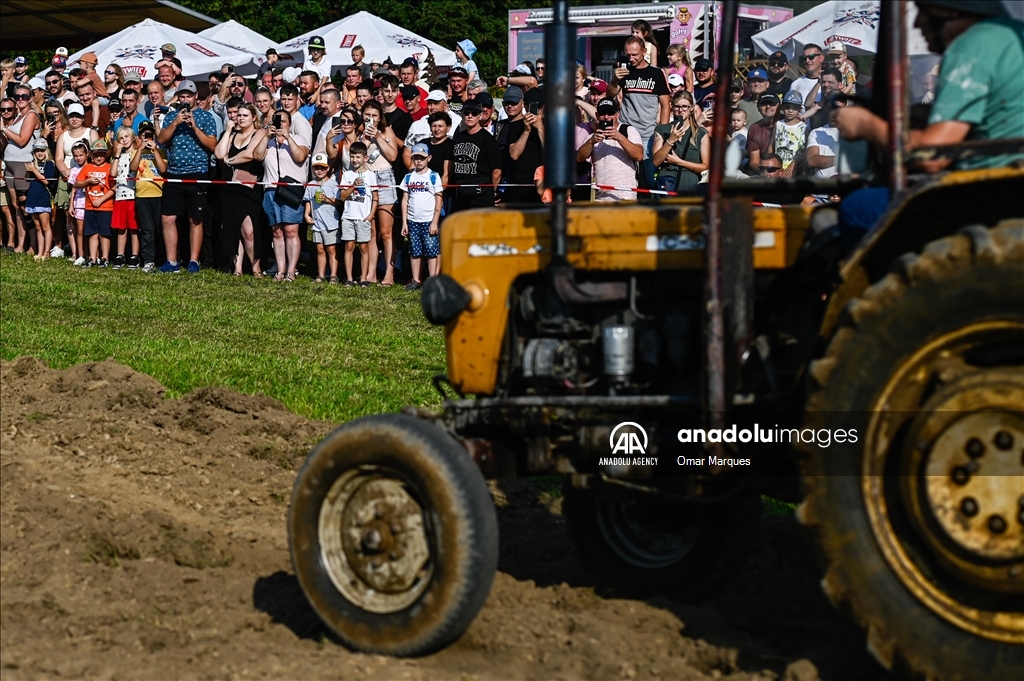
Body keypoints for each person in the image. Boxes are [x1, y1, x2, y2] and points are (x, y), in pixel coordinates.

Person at [156, 80, 218, 273]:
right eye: (182, 96)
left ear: (195, 97)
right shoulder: (171, 117)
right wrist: (175, 122)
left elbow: (212, 145)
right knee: (168, 218)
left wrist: (194, 127)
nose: (185, 99)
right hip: (174, 172)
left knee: (195, 218)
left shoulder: (205, 117)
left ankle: (193, 260)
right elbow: (162, 140)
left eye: (188, 96)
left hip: (197, 172)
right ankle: (172, 261)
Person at [608, 35, 671, 190]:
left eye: (635, 55)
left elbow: (665, 105)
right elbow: (609, 96)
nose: (631, 58)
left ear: (644, 51)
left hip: (648, 134)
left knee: (648, 180)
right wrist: (615, 80)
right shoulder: (623, 72)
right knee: (625, 177)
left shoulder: (656, 73)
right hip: (627, 131)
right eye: (628, 55)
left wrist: (662, 132)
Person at [252, 108, 308, 282]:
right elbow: (257, 156)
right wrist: (267, 136)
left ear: (290, 124)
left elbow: (300, 157)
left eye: (284, 121)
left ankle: (291, 270)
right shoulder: (268, 141)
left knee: (291, 230)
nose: (280, 124)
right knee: (277, 232)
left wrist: (288, 138)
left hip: (291, 190)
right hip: (271, 189)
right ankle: (280, 270)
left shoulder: (299, 139)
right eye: (277, 120)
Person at [359, 100, 400, 285]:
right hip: (367, 179)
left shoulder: (386, 131)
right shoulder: (360, 134)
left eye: (374, 115)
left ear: (380, 117)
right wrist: (365, 142)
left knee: (386, 231)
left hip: (384, 179)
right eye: (367, 115)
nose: (370, 118)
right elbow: (357, 160)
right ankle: (371, 273)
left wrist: (378, 137)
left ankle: (389, 274)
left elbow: (393, 156)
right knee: (372, 231)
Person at [576, 98, 644, 202]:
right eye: (603, 113)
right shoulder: (591, 138)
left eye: (610, 113)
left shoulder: (628, 131)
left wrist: (619, 137)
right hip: (599, 199)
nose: (606, 117)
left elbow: (639, 155)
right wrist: (591, 142)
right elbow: (579, 158)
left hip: (625, 197)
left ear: (617, 115)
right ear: (597, 115)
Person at [399, 143, 444, 290]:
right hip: (413, 220)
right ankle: (416, 280)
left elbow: (439, 200)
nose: (419, 161)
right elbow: (405, 200)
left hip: (428, 220)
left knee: (431, 251)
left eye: (422, 158)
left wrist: (434, 222)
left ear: (429, 158)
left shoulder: (434, 176)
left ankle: (432, 280)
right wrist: (404, 222)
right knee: (415, 251)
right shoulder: (408, 177)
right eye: (416, 158)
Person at [2, 85, 41, 252]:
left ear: (31, 98)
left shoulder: (31, 115)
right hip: (10, 165)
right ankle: (21, 243)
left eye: (24, 96)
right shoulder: (18, 116)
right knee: (17, 206)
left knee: (26, 207)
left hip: (22, 165)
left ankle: (33, 244)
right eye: (17, 96)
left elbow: (22, 140)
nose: (20, 99)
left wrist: (3, 128)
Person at [448, 98, 502, 213]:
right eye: (466, 113)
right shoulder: (458, 136)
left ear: (480, 115)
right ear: (462, 115)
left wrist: (492, 192)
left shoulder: (487, 139)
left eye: (474, 113)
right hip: (461, 193)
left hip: (481, 194)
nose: (470, 116)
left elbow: (497, 170)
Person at [652, 90, 709, 193]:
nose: (681, 110)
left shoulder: (701, 133)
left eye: (684, 106)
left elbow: (705, 167)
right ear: (672, 107)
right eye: (677, 106)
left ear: (691, 108)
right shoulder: (662, 129)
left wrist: (679, 162)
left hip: (691, 184)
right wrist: (670, 141)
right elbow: (656, 161)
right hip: (667, 182)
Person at [338, 141, 377, 285]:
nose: (355, 160)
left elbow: (375, 198)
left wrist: (371, 214)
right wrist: (353, 185)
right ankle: (349, 278)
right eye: (352, 156)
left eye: (358, 157)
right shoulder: (347, 175)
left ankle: (364, 278)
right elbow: (342, 197)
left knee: (364, 247)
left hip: (363, 217)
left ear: (365, 158)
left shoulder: (371, 175)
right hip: (348, 216)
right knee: (349, 246)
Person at [129, 121, 166, 272]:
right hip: (142, 195)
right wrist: (139, 149)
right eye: (144, 135)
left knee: (160, 228)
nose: (147, 138)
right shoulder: (136, 152)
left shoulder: (160, 151)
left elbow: (163, 169)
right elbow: (133, 168)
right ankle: (148, 259)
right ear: (139, 136)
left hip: (158, 193)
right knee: (147, 229)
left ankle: (162, 257)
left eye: (150, 135)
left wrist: (155, 151)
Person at [75, 139, 114, 267]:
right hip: (90, 206)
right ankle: (92, 258)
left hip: (105, 206)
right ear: (91, 155)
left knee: (104, 233)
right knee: (92, 233)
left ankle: (105, 258)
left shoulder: (109, 167)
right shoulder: (87, 167)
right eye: (96, 155)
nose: (99, 158)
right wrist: (88, 182)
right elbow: (77, 183)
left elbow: (114, 187)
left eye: (102, 154)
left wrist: (102, 200)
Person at [503, 90, 544, 205]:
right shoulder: (516, 126)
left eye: (538, 107)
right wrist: (526, 131)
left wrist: (540, 127)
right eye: (531, 106)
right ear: (525, 106)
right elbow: (514, 154)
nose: (536, 110)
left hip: (541, 187)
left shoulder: (551, 126)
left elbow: (553, 154)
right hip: (518, 186)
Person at [304, 153, 340, 283]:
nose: (319, 171)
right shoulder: (311, 184)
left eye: (323, 168)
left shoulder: (333, 184)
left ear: (328, 168)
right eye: (316, 168)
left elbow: (338, 201)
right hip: (317, 222)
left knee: (331, 249)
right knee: (319, 249)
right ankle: (321, 275)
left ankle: (334, 274)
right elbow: (308, 200)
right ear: (312, 169)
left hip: (330, 221)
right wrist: (306, 214)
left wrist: (326, 199)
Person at [108, 126, 139, 268]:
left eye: (127, 136)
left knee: (134, 227)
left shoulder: (137, 154)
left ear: (133, 138)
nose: (124, 139)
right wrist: (117, 154)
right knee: (121, 228)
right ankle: (120, 255)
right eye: (121, 137)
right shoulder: (118, 156)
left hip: (133, 195)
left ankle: (134, 255)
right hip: (120, 196)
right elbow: (113, 174)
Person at [24, 138, 56, 259]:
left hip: (43, 197)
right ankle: (40, 252)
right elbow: (27, 178)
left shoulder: (49, 164)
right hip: (32, 197)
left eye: (42, 150)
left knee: (45, 226)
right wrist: (29, 170)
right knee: (38, 227)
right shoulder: (33, 163)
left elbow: (47, 181)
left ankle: (46, 252)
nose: (40, 153)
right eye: (37, 150)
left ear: (46, 150)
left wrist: (34, 170)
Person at [771, 91, 808, 171]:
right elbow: (772, 145)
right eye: (787, 107)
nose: (790, 111)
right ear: (782, 107)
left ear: (799, 109)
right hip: (778, 168)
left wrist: (795, 165)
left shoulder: (804, 128)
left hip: (797, 168)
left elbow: (807, 151)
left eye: (794, 108)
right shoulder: (778, 124)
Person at [66, 141, 89, 264]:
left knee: (89, 231)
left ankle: (92, 254)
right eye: (75, 156)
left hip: (91, 203)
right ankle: (80, 255)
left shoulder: (91, 167)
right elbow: (73, 189)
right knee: (79, 230)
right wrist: (71, 205)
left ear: (87, 154)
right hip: (79, 203)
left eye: (81, 155)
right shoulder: (74, 170)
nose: (78, 158)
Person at [746, 93, 779, 174]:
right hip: (765, 172)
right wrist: (766, 172)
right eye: (764, 104)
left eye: (772, 103)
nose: (768, 106)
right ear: (758, 107)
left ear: (779, 106)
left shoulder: (790, 124)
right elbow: (754, 162)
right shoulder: (755, 128)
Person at [788, 44, 825, 113]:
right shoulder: (796, 84)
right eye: (804, 58)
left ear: (821, 58)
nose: (807, 61)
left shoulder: (830, 81)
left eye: (811, 57)